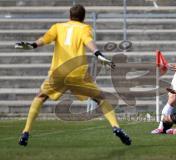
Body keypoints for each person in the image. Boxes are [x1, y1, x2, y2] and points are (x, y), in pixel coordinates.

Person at [15, 4, 131, 146]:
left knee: (40, 96)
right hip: (77, 73)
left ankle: (26, 132)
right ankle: (116, 127)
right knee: (101, 98)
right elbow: (89, 42)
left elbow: (44, 39)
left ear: (69, 16)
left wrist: (33, 45)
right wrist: (98, 54)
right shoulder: (84, 28)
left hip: (59, 72)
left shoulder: (57, 27)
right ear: (83, 18)